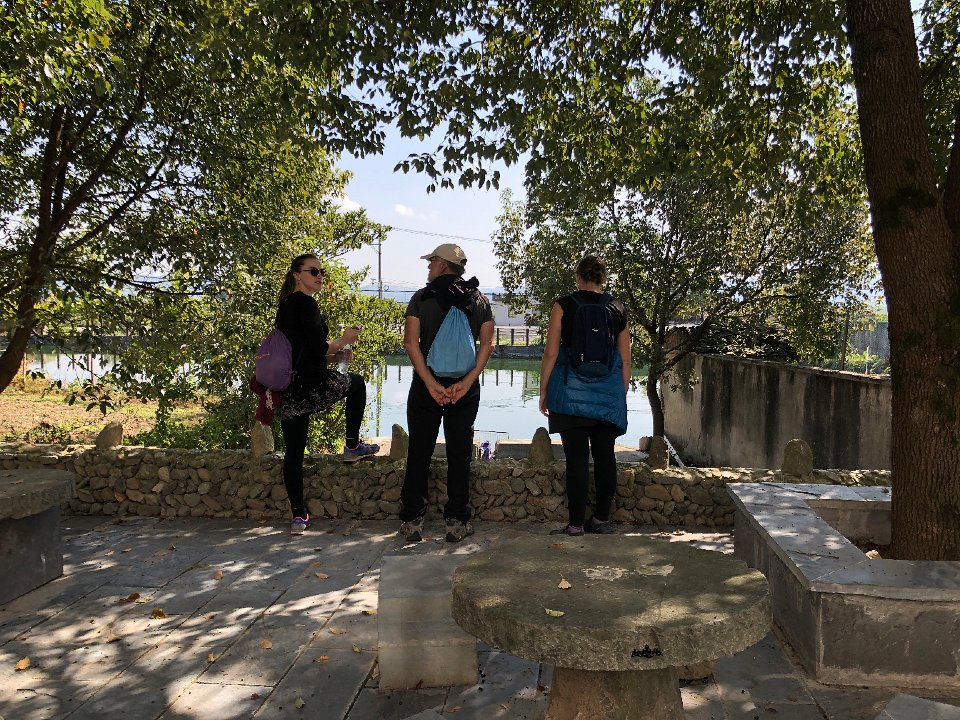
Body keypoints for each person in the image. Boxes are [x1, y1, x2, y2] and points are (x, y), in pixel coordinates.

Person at [275, 253, 379, 535]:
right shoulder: (306, 303)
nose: (320, 276)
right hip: (312, 385)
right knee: (357, 384)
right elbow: (319, 347)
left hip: (289, 387)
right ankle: (352, 446)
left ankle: (298, 516)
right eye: (314, 271)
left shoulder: (285, 305)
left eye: (322, 272)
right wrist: (345, 339)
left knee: (294, 453)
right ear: (297, 275)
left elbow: (304, 350)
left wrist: (334, 357)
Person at [398, 244, 495, 543]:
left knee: (419, 451)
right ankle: (456, 521)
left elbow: (411, 344)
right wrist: (466, 383)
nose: (428, 268)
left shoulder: (421, 298)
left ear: (442, 265)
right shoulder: (479, 299)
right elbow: (488, 345)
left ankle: (413, 520)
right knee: (460, 453)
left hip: (426, 385)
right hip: (464, 388)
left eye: (431, 263)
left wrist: (430, 383)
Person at [539, 255, 631, 536]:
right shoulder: (617, 307)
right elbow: (625, 358)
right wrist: (620, 391)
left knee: (576, 459)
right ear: (602, 278)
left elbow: (551, 352)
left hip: (570, 394)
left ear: (578, 277)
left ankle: (576, 524)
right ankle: (601, 520)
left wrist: (544, 390)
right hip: (607, 393)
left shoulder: (563, 305)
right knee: (605, 457)